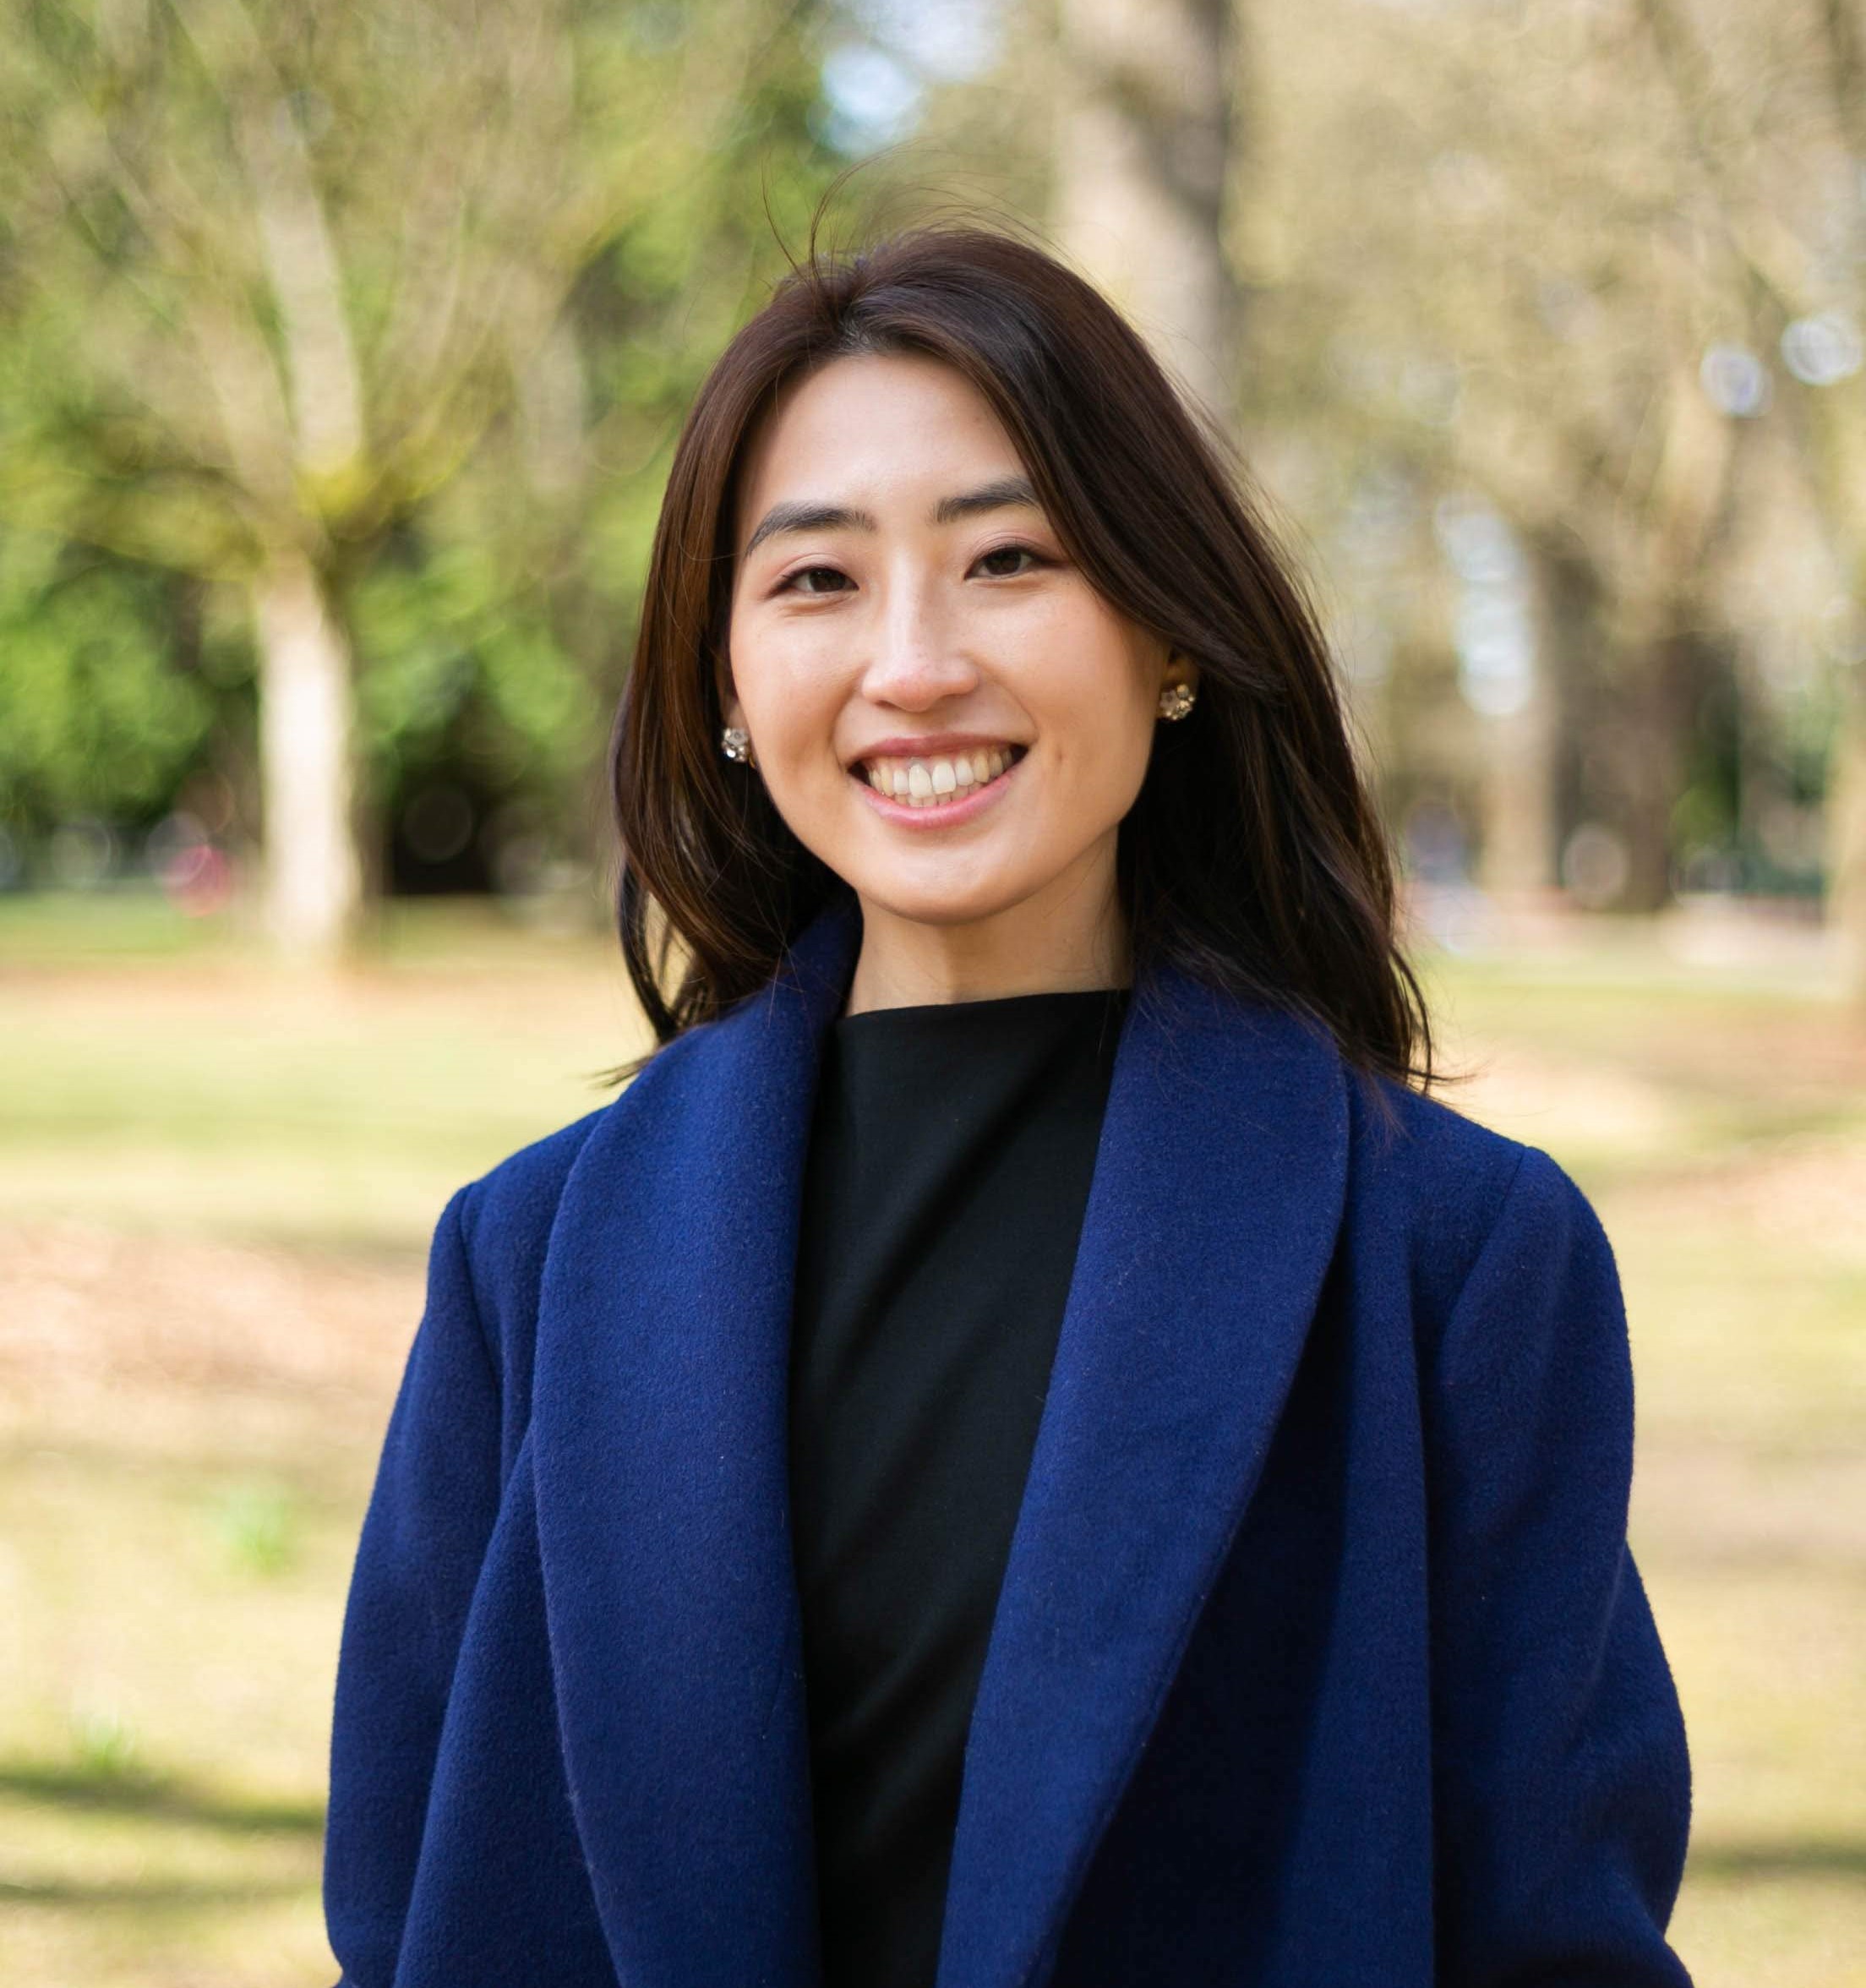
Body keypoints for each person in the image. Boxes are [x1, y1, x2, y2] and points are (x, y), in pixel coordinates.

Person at [323, 221, 1695, 1988]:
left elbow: (1554, 1945)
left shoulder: (1458, 1263)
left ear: (1173, 640)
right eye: (816, 581)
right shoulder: (532, 1256)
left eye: (1012, 559)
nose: (913, 663)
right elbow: (405, 1912)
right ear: (729, 684)